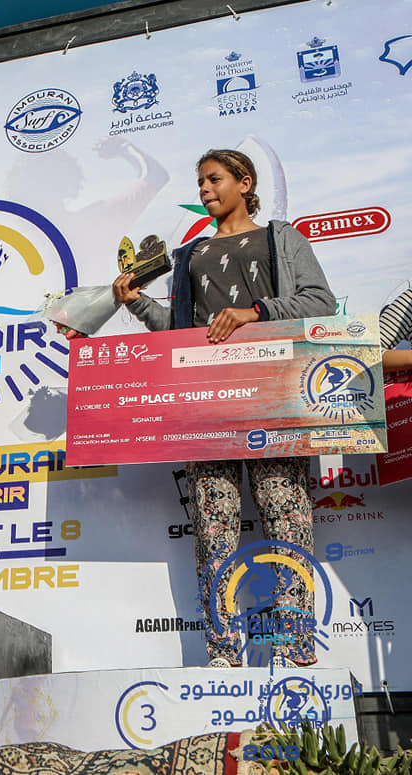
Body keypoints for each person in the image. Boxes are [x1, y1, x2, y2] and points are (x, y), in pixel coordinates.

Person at [112, 149, 336, 667]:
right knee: (214, 527)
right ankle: (222, 653)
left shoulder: (281, 238)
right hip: (206, 404)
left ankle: (297, 648)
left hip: (275, 394)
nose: (205, 189)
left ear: (245, 182)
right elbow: (179, 332)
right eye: (200, 182)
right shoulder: (189, 255)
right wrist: (137, 303)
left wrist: (254, 311)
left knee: (286, 516)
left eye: (214, 179)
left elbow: (319, 303)